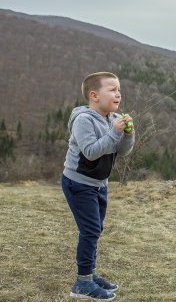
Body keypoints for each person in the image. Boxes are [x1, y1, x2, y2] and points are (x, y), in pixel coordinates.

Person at [62, 72, 135, 300]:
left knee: (95, 230)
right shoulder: (84, 120)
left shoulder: (111, 117)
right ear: (94, 95)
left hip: (99, 184)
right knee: (90, 230)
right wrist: (115, 131)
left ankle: (89, 274)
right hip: (78, 183)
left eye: (119, 89)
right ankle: (82, 283)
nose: (118, 93)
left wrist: (128, 134)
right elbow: (91, 152)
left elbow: (122, 151)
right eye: (112, 89)